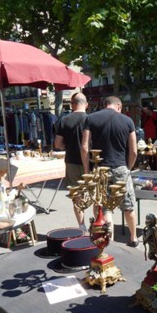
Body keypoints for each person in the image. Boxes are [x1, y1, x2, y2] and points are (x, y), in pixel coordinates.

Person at [81, 96, 139, 247]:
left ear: (104, 105)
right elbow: (133, 151)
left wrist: (87, 170)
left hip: (100, 169)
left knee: (104, 207)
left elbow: (85, 147)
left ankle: (109, 243)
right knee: (128, 205)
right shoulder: (128, 121)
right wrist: (128, 168)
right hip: (120, 167)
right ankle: (133, 239)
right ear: (119, 106)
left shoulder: (90, 119)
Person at [54, 92, 89, 230]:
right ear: (86, 104)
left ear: (72, 104)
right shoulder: (91, 119)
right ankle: (96, 226)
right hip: (90, 162)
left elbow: (57, 144)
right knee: (95, 194)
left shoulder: (64, 120)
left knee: (77, 196)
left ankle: (82, 226)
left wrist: (68, 146)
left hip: (71, 162)